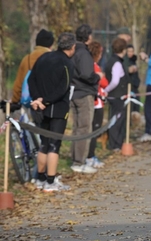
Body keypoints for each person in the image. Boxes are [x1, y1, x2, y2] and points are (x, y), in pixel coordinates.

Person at [28, 32, 76, 192]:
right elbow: (63, 88)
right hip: (57, 108)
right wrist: (46, 100)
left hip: (40, 107)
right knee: (54, 145)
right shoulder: (66, 63)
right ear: (72, 47)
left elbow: (31, 79)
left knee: (44, 144)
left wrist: (37, 99)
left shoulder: (43, 57)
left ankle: (40, 178)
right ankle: (50, 181)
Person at [70, 24, 102, 174]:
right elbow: (87, 74)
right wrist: (97, 77)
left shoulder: (72, 50)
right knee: (84, 129)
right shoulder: (83, 53)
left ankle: (75, 159)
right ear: (88, 37)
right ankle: (79, 162)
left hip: (73, 93)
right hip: (83, 93)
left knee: (76, 129)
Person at [11, 29, 54, 104]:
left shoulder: (27, 59)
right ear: (50, 45)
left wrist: (15, 100)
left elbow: (18, 85)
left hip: (30, 100)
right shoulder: (54, 59)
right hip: (49, 102)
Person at [104, 38, 129, 151]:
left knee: (115, 118)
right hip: (117, 95)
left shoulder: (110, 60)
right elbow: (115, 81)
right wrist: (106, 90)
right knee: (117, 120)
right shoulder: (117, 63)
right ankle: (115, 145)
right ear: (123, 50)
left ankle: (115, 143)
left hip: (114, 95)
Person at [86, 41, 108, 167]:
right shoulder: (94, 66)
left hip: (96, 101)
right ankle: (90, 156)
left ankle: (90, 155)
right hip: (97, 102)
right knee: (94, 130)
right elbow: (104, 82)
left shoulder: (91, 65)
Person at [126, 44, 141, 112]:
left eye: (132, 51)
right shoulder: (125, 62)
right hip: (128, 87)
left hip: (135, 87)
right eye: (128, 51)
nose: (130, 53)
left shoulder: (134, 61)